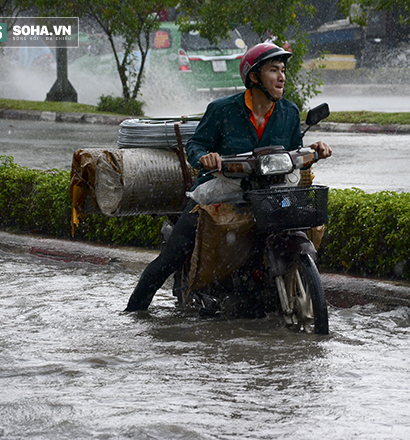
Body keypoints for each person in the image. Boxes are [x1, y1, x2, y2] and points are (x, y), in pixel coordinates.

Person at [125, 42, 332, 311]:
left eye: (283, 70)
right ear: (254, 77)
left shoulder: (289, 113)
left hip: (269, 196)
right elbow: (195, 145)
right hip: (223, 193)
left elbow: (293, 156)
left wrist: (313, 151)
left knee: (297, 219)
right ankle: (134, 311)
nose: (282, 77)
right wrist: (205, 157)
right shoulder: (222, 110)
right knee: (170, 258)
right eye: (273, 70)